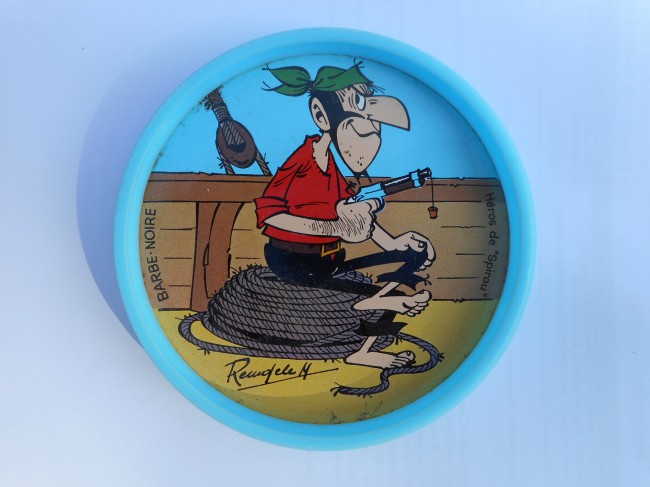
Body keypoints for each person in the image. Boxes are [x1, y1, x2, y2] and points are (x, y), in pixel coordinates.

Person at [254, 63, 435, 369]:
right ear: (321, 115)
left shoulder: (333, 167)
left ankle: (363, 348)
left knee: (410, 257)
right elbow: (270, 214)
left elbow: (352, 212)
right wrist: (333, 227)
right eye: (356, 107)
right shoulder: (302, 160)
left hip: (330, 259)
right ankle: (375, 302)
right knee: (372, 295)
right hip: (292, 260)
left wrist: (393, 243)